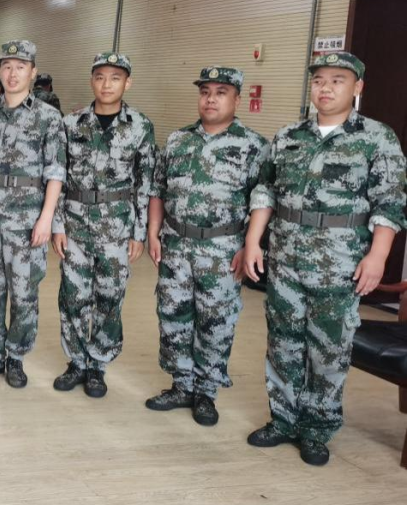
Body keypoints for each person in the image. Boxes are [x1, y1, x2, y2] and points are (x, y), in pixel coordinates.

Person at [243, 51, 406, 466]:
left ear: (357, 87)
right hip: (285, 258)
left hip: (340, 263)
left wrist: (378, 256)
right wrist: (253, 241)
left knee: (329, 348)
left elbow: (390, 203)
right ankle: (283, 420)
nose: (326, 88)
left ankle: (317, 428)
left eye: (337, 80)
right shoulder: (288, 136)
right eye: (318, 80)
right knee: (283, 342)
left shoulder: (376, 138)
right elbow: (265, 190)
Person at [145, 66, 267, 426]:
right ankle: (181, 385)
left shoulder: (254, 146)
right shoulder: (178, 140)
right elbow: (158, 190)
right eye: (205, 92)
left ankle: (206, 392)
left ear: (237, 99)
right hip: (176, 244)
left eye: (221, 93)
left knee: (216, 322)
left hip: (223, 249)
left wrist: (250, 245)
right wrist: (153, 232)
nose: (211, 99)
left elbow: (263, 202)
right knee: (173, 316)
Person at [52, 52, 155, 398]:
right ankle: (76, 362)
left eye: (115, 78)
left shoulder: (140, 126)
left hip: (117, 227)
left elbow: (146, 182)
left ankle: (98, 365)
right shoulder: (71, 123)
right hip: (75, 223)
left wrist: (139, 233)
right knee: (73, 296)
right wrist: (57, 225)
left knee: (110, 297)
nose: (106, 84)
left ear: (128, 82)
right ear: (91, 81)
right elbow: (58, 177)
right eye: (99, 77)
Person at [0, 40, 66, 388]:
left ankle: (16, 357)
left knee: (24, 293)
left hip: (27, 221)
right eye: (6, 66)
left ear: (32, 72)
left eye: (20, 67)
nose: (12, 73)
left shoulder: (48, 117)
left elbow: (56, 172)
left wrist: (47, 219)